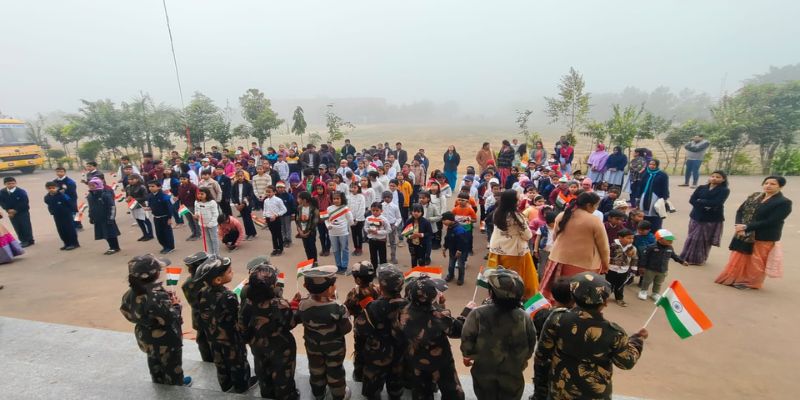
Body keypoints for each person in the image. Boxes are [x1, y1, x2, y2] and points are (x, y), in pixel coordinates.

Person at [533, 272, 647, 400]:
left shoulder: (557, 317)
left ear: (573, 296)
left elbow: (542, 353)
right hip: (594, 394)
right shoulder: (614, 333)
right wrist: (637, 340)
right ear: (605, 302)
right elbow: (626, 362)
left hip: (560, 390)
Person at [461, 267, 535, 400]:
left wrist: (469, 355)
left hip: (483, 372)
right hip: (513, 373)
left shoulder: (477, 314)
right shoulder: (524, 317)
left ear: (491, 293)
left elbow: (467, 341)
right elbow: (531, 345)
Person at [120, 255, 192, 387]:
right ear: (155, 274)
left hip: (145, 337)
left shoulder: (130, 293)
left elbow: (127, 313)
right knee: (172, 365)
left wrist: (146, 320)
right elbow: (169, 318)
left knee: (154, 361)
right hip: (166, 340)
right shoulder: (157, 296)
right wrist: (176, 305)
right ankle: (177, 386)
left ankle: (158, 382)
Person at [395, 275, 470, 399]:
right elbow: (458, 331)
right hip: (440, 362)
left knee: (422, 394)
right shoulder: (438, 315)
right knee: (453, 393)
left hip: (416, 360)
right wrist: (466, 312)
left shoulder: (403, 310)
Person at [716, 175, 792, 290]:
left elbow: (772, 221)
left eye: (773, 184)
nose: (768, 186)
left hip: (764, 235)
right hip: (744, 233)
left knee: (756, 261)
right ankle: (735, 278)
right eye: (766, 183)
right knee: (741, 257)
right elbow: (740, 211)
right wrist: (738, 225)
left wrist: (746, 227)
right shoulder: (755, 196)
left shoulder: (784, 202)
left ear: (780, 187)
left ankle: (751, 283)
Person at [239, 264, 301, 399]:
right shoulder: (280, 304)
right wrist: (295, 306)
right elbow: (291, 323)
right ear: (272, 287)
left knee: (262, 373)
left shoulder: (247, 303)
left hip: (258, 347)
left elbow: (242, 326)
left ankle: (267, 394)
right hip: (281, 348)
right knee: (283, 376)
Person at [195, 256, 255, 393]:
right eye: (229, 271)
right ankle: (242, 386)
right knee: (238, 362)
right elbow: (237, 316)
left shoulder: (202, 292)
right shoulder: (228, 296)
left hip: (213, 337)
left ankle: (226, 385)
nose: (232, 272)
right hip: (231, 339)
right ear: (218, 280)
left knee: (220, 363)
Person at [296, 265, 353, 400]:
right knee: (335, 371)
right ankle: (339, 395)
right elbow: (347, 328)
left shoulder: (302, 304)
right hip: (334, 349)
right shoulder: (338, 307)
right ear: (330, 289)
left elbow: (298, 318)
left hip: (313, 346)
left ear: (305, 286)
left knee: (316, 370)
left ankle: (318, 393)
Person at [539, 192, 609, 300]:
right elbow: (603, 246)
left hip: (558, 260)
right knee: (578, 294)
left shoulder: (562, 215)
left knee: (558, 293)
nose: (596, 208)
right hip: (584, 264)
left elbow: (555, 237)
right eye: (596, 205)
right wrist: (605, 263)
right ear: (589, 205)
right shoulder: (595, 220)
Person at [357, 264, 406, 399]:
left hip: (377, 354)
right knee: (396, 379)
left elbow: (361, 330)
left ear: (382, 287)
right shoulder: (408, 305)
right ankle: (395, 394)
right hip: (399, 351)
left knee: (373, 384)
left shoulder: (373, 306)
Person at [488, 190, 540, 298]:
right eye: (518, 198)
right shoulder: (517, 217)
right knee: (515, 278)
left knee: (498, 275)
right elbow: (528, 236)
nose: (520, 199)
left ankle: (497, 295)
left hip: (497, 250)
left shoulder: (497, 212)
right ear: (513, 201)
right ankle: (516, 297)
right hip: (514, 252)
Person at [680, 171, 730, 265]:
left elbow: (717, 202)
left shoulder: (724, 190)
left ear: (723, 179)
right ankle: (685, 256)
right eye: (713, 176)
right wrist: (704, 204)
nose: (714, 178)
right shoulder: (701, 188)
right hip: (696, 215)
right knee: (691, 237)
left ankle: (698, 259)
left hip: (710, 218)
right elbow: (692, 200)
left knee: (702, 239)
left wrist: (700, 201)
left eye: (718, 177)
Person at [343, 261, 379, 384]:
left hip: (361, 330)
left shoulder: (355, 293)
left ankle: (359, 375)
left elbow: (347, 309)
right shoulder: (377, 288)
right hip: (376, 328)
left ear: (358, 280)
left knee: (360, 351)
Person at [180, 251, 213, 362]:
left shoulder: (187, 283)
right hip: (212, 318)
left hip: (198, 318)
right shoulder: (208, 282)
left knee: (203, 342)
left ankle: (207, 361)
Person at [638, 229, 687, 301]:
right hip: (650, 269)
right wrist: (642, 267)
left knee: (658, 283)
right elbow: (644, 257)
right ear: (660, 239)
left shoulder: (670, 247)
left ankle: (655, 293)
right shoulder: (651, 247)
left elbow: (674, 256)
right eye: (668, 240)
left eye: (671, 240)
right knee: (647, 281)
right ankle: (643, 291)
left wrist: (681, 261)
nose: (671, 241)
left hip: (662, 270)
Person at [84, 177, 121, 254]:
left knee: (111, 233)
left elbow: (112, 207)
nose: (91, 187)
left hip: (107, 218)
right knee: (104, 234)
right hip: (98, 218)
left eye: (93, 185)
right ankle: (111, 247)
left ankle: (115, 247)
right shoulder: (90, 196)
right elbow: (91, 207)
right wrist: (91, 217)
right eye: (90, 185)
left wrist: (111, 218)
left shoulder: (105, 194)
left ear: (98, 184)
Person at [634, 159, 670, 232]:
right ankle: (644, 229)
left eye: (653, 164)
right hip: (644, 196)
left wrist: (664, 198)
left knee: (655, 214)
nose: (651, 166)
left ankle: (655, 230)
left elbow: (665, 187)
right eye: (650, 164)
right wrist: (638, 197)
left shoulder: (662, 175)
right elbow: (640, 186)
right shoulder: (645, 173)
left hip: (656, 198)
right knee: (643, 213)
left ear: (657, 165)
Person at [44, 181, 79, 250]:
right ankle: (66, 243)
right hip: (56, 215)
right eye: (49, 188)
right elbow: (49, 205)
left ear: (57, 188)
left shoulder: (63, 195)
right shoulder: (47, 197)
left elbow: (70, 203)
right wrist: (52, 212)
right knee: (61, 230)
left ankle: (74, 243)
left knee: (69, 229)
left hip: (66, 215)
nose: (51, 189)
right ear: (46, 189)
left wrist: (72, 211)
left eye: (53, 188)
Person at [606, 229, 638, 307]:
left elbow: (634, 258)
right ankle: (605, 297)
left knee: (620, 285)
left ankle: (619, 298)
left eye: (632, 238)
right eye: (628, 238)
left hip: (624, 270)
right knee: (608, 284)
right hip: (611, 269)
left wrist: (633, 269)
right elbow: (607, 255)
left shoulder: (633, 248)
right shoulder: (612, 246)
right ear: (620, 238)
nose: (631, 240)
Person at [0, 177, 34, 247]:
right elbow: (2, 202)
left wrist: (15, 210)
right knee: (17, 227)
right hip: (10, 213)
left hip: (22, 212)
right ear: (5, 184)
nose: (11, 185)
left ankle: (29, 240)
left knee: (25, 226)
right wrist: (7, 210)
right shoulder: (2, 192)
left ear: (15, 183)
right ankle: (23, 240)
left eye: (13, 183)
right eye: (9, 184)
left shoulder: (21, 191)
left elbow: (24, 202)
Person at [326, 191, 354, 274]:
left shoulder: (345, 209)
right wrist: (328, 226)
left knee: (344, 249)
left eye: (338, 198)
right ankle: (338, 266)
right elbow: (326, 220)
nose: (336, 200)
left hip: (343, 232)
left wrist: (347, 226)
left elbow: (351, 220)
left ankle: (344, 266)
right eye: (334, 199)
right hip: (332, 233)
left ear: (342, 199)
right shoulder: (329, 208)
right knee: (335, 250)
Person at [440, 211, 470, 285]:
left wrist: (459, 250)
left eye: (444, 220)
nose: (443, 222)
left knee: (460, 265)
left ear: (450, 219)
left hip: (461, 251)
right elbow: (447, 238)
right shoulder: (449, 228)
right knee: (451, 265)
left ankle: (460, 278)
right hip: (452, 250)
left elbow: (463, 241)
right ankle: (451, 275)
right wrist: (445, 247)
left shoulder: (459, 229)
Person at [146, 180, 175, 255]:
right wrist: (148, 208)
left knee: (167, 233)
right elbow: (151, 206)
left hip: (165, 217)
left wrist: (169, 218)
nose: (150, 188)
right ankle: (164, 246)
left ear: (159, 187)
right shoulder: (150, 196)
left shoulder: (164, 196)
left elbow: (169, 208)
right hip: (156, 217)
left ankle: (170, 247)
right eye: (149, 186)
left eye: (153, 186)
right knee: (159, 233)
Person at [125, 174, 154, 241]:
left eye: (132, 179)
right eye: (129, 179)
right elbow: (127, 196)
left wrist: (134, 199)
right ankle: (145, 234)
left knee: (145, 220)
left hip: (141, 206)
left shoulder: (142, 187)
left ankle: (150, 235)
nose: (130, 181)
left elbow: (145, 197)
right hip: (133, 205)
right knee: (138, 220)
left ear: (137, 179)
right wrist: (127, 199)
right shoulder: (128, 187)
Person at [194, 187, 221, 256]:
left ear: (207, 194)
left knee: (214, 239)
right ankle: (211, 254)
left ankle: (217, 255)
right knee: (207, 239)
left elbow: (215, 214)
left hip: (212, 225)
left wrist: (210, 224)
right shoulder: (196, 202)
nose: (200, 195)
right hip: (202, 224)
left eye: (202, 194)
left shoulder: (212, 202)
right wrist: (196, 215)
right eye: (198, 194)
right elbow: (196, 211)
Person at [295, 191, 320, 263]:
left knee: (312, 246)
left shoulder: (314, 209)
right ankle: (309, 261)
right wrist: (299, 231)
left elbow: (315, 221)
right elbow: (297, 219)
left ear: (304, 200)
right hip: (302, 231)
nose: (297, 200)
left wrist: (309, 231)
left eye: (299, 198)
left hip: (311, 232)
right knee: (306, 247)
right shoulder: (299, 208)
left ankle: (314, 261)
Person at [365, 202, 390, 267]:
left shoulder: (384, 219)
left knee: (383, 257)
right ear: (371, 210)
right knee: (373, 257)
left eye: (377, 210)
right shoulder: (368, 218)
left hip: (381, 240)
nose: (375, 212)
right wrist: (368, 230)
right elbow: (365, 227)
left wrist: (378, 232)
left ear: (381, 211)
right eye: (373, 210)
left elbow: (389, 230)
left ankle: (383, 271)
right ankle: (374, 270)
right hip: (372, 240)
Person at [380, 190, 402, 264]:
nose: (386, 198)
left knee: (392, 242)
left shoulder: (395, 207)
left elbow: (399, 218)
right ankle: (383, 258)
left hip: (392, 225)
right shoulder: (381, 206)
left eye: (388, 197)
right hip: (382, 226)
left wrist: (395, 225)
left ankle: (393, 257)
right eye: (385, 197)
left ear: (391, 198)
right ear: (383, 198)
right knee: (382, 242)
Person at [178, 174, 201, 241]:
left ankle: (198, 234)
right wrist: (178, 199)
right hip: (184, 206)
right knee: (189, 221)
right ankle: (193, 233)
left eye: (184, 179)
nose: (182, 180)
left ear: (188, 179)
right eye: (181, 179)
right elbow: (180, 195)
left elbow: (197, 196)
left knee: (195, 220)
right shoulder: (180, 186)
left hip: (192, 206)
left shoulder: (193, 186)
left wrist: (197, 205)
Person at [347, 183, 366, 256]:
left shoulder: (361, 197)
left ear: (358, 188)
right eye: (351, 187)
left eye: (355, 187)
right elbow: (347, 208)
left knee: (359, 233)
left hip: (359, 219)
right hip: (351, 219)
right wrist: (351, 219)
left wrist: (357, 219)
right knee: (353, 234)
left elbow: (362, 208)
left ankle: (360, 248)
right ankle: (356, 248)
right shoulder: (348, 197)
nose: (353, 189)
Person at [275, 182, 296, 248]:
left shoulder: (288, 196)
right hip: (279, 214)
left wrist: (293, 214)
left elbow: (292, 205)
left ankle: (288, 240)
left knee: (287, 227)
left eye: (281, 187)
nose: (280, 189)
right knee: (282, 227)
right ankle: (284, 239)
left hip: (287, 214)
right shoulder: (275, 196)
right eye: (278, 188)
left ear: (284, 188)